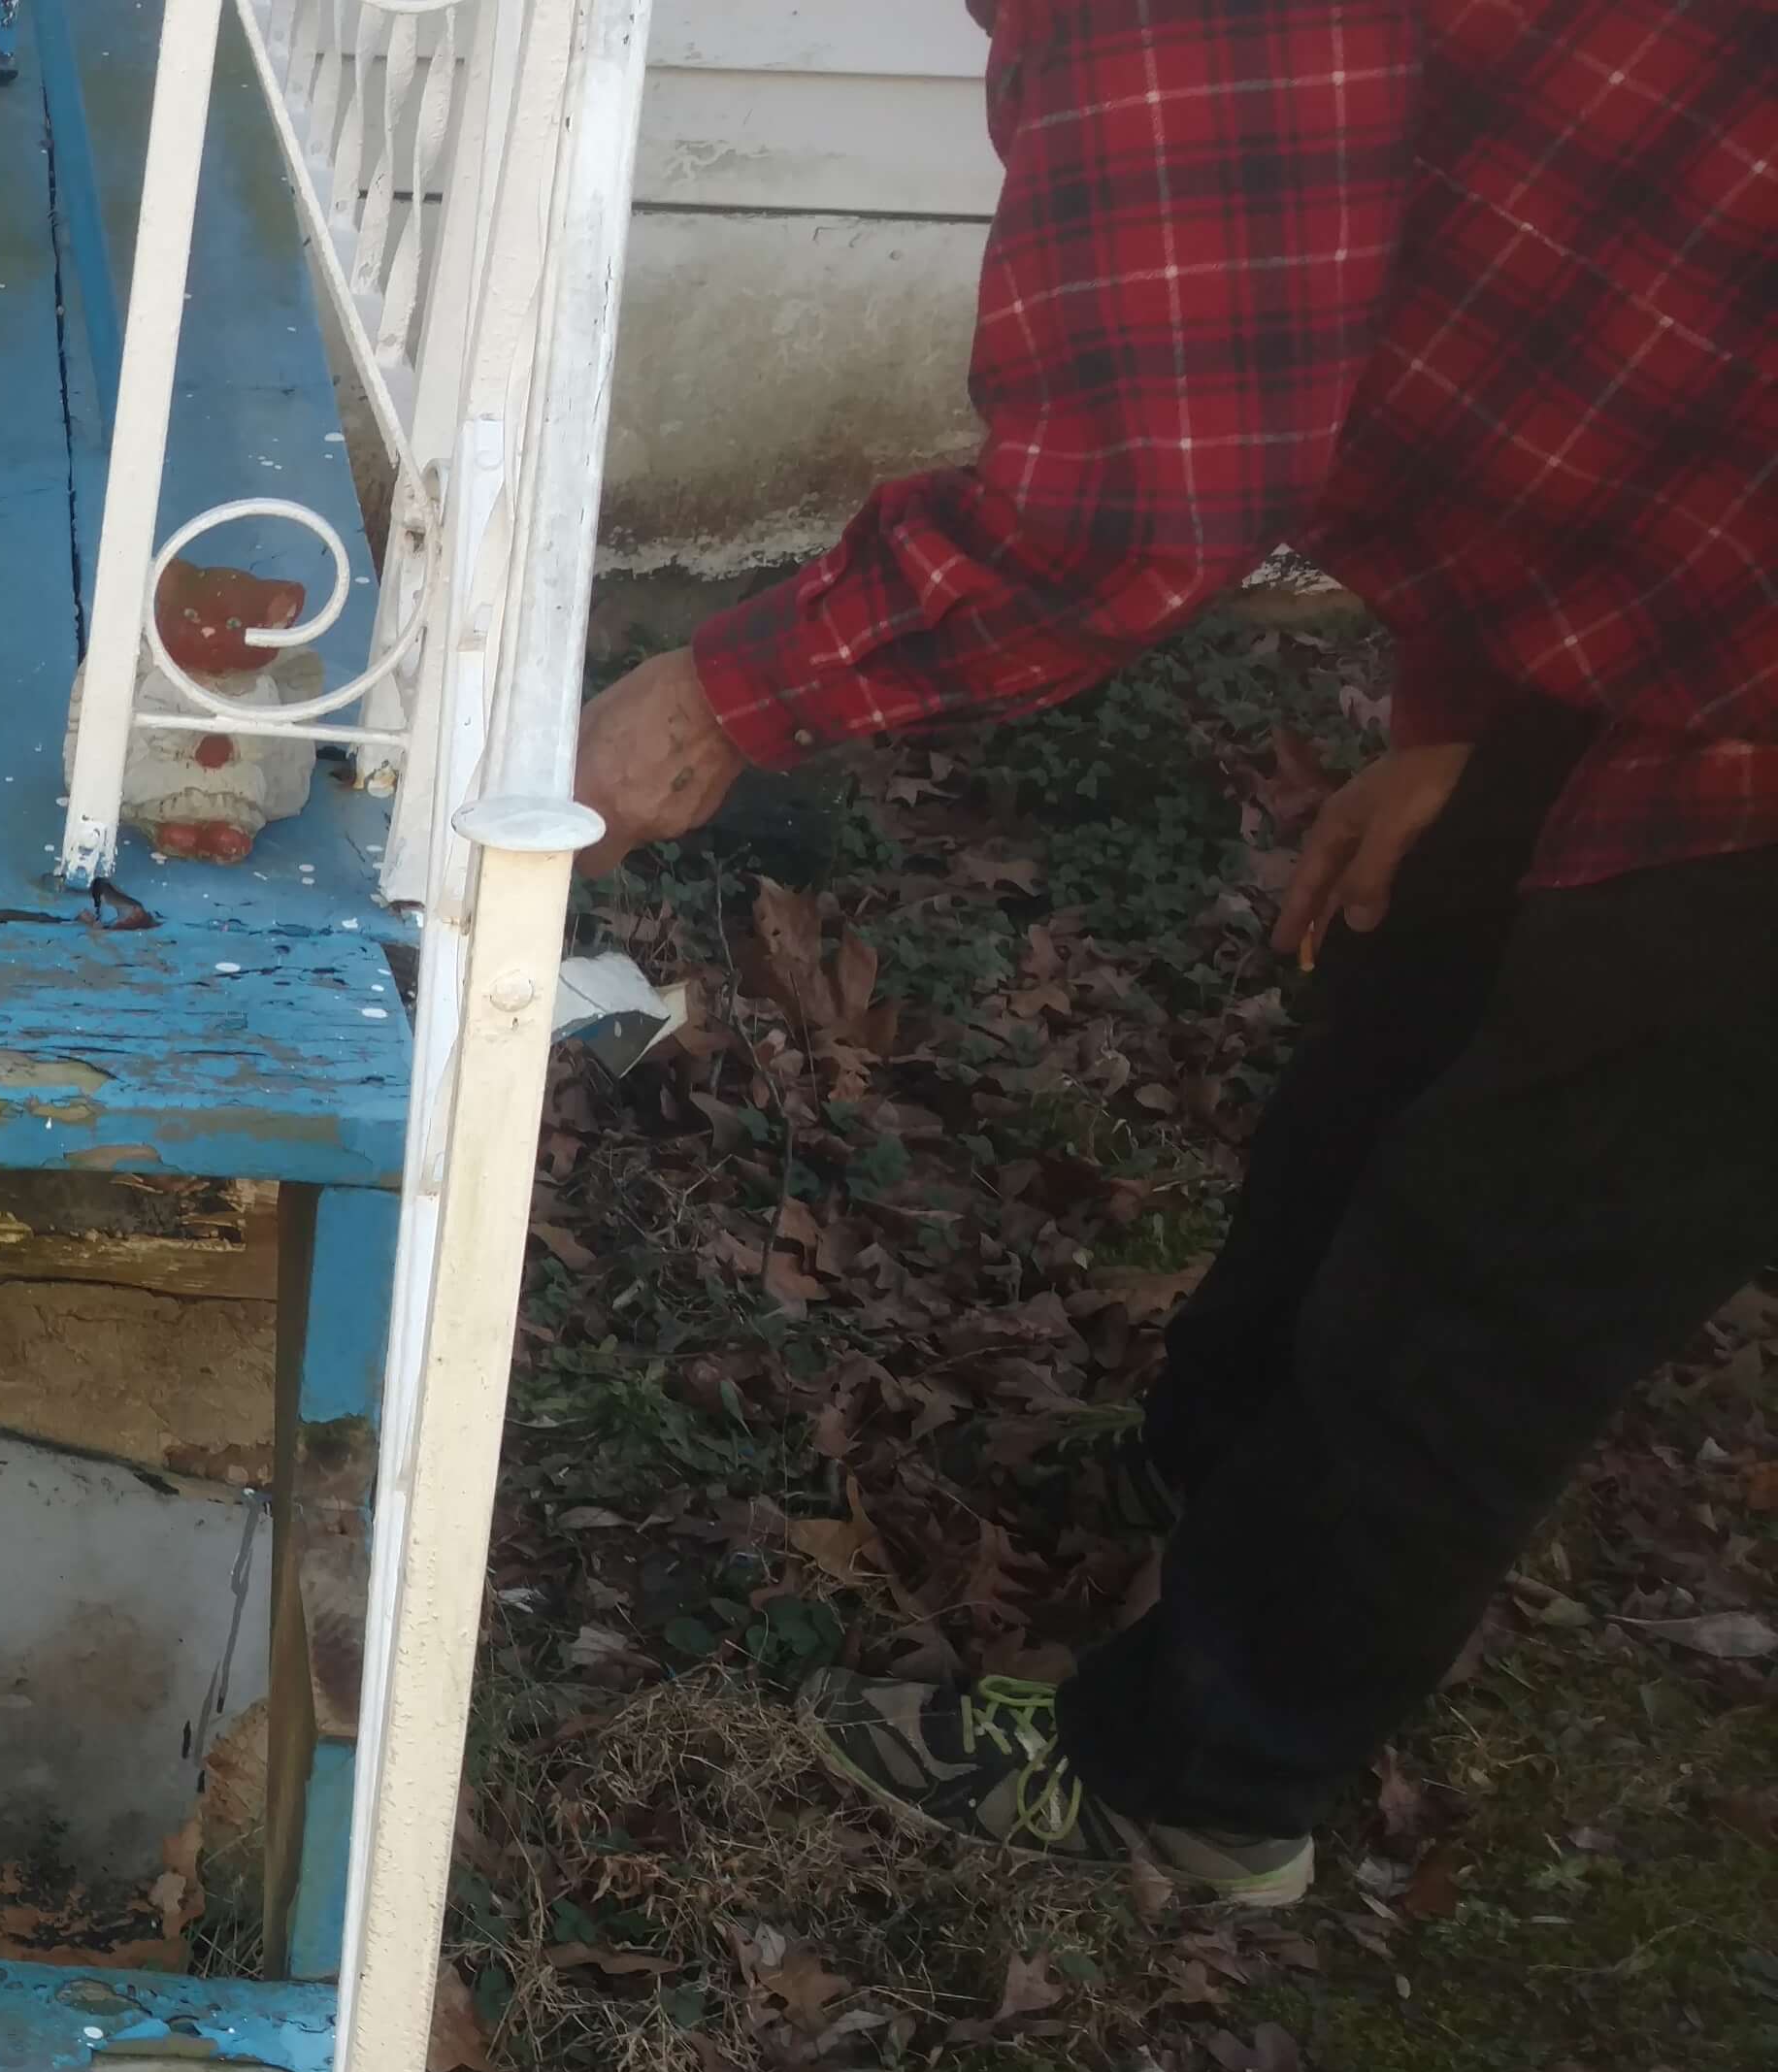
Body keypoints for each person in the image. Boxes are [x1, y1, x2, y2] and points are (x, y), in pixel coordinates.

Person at [567, 0, 1774, 1908]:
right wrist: (1477, 717)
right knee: (1402, 1000)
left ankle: (1204, 1778)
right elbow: (1625, 277)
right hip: (1695, 569)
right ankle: (1207, 1467)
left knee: (1505, 1258)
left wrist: (719, 698)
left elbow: (1133, 505)